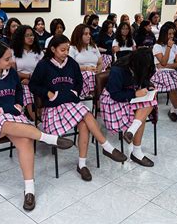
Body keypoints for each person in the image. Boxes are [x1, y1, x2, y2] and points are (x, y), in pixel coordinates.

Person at [0, 40, 74, 211]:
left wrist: (19, 104)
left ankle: (29, 190)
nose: (11, 61)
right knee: (5, 122)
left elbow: (19, 91)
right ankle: (48, 138)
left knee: (26, 141)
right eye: (7, 59)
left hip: (11, 117)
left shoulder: (11, 73)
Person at [29, 35, 127, 181]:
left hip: (71, 104)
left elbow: (79, 82)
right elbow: (33, 85)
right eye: (62, 50)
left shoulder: (72, 64)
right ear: (53, 49)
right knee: (85, 116)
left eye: (67, 49)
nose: (65, 52)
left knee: (84, 124)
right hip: (53, 108)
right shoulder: (44, 65)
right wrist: (48, 93)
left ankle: (82, 164)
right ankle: (106, 146)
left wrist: (74, 92)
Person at [99, 48, 157, 167]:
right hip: (113, 101)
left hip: (130, 96)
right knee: (141, 116)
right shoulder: (118, 70)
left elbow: (144, 79)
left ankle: (131, 131)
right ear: (136, 64)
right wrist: (135, 94)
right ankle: (136, 151)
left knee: (150, 102)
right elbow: (115, 94)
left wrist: (148, 86)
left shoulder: (141, 66)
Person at [151, 23, 177, 123]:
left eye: (172, 34)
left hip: (172, 71)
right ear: (163, 34)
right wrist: (168, 48)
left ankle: (173, 110)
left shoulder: (175, 46)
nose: (171, 36)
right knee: (173, 87)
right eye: (169, 34)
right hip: (160, 73)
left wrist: (166, 65)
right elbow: (164, 61)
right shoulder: (157, 46)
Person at [12, 25, 44, 121]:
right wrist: (27, 76)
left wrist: (31, 78)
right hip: (21, 81)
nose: (31, 38)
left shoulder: (39, 52)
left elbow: (44, 70)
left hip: (37, 80)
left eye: (32, 35)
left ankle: (42, 118)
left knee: (41, 87)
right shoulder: (13, 52)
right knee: (27, 89)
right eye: (27, 36)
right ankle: (36, 121)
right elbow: (13, 72)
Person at [69, 24, 103, 98]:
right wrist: (86, 68)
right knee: (89, 74)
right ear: (79, 35)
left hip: (95, 73)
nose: (89, 36)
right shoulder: (72, 49)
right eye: (86, 34)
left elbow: (100, 63)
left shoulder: (93, 47)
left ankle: (100, 100)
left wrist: (98, 71)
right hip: (80, 73)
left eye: (89, 34)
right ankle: (91, 97)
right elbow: (70, 66)